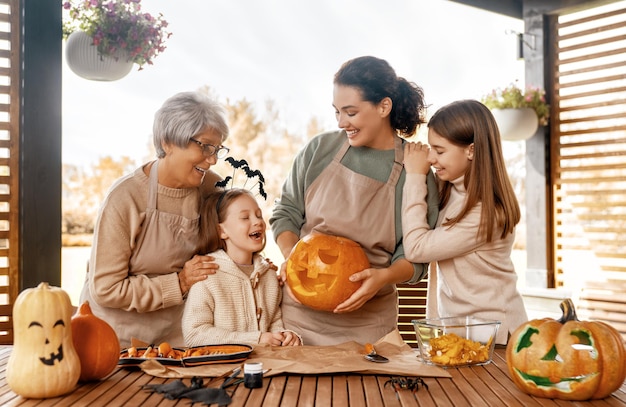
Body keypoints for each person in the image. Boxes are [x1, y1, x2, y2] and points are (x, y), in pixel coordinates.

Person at [270, 56, 439, 346]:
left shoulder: (414, 169)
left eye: (350, 112)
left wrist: (383, 277)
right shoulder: (320, 149)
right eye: (337, 111)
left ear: (383, 107)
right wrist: (292, 258)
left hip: (368, 327)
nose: (340, 122)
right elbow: (286, 212)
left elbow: (415, 256)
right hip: (297, 324)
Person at [79, 91, 230, 348]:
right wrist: (180, 282)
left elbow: (227, 246)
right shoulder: (126, 197)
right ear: (167, 141)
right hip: (116, 341)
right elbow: (106, 289)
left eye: (217, 148)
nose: (213, 158)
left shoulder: (212, 188)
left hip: (179, 339)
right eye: (204, 146)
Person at [401, 99, 528, 345]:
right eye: (430, 149)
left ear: (471, 150)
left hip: (496, 338)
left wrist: (415, 177)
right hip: (464, 333)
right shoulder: (451, 192)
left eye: (439, 151)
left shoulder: (485, 213)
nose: (431, 158)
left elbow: (417, 248)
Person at [182, 187, 302, 347]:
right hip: (220, 370)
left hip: (266, 369)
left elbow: (274, 325)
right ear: (222, 231)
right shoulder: (207, 275)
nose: (258, 221)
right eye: (245, 217)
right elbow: (194, 335)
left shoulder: (270, 276)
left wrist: (286, 337)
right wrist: (255, 339)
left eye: (259, 215)